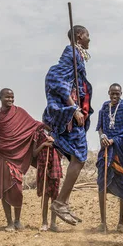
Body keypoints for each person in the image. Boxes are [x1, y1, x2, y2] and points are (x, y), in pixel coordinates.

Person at [43, 25, 93, 226]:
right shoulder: (71, 51)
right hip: (70, 117)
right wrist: (74, 109)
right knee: (80, 156)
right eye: (88, 35)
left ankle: (62, 202)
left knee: (78, 157)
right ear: (80, 36)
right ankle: (61, 202)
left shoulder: (78, 55)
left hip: (73, 115)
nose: (90, 39)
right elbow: (57, 79)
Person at [0, 88, 43, 232]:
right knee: (4, 189)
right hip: (0, 156)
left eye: (12, 97)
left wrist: (48, 129)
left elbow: (34, 125)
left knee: (17, 189)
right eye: (7, 97)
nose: (10, 99)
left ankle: (18, 220)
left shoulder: (19, 112)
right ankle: (9, 222)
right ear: (0, 97)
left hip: (16, 157)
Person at [96, 83, 123, 233]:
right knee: (102, 183)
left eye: (117, 94)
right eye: (112, 93)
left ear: (121, 94)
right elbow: (100, 127)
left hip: (120, 152)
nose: (114, 96)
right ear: (108, 93)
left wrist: (114, 140)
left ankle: (120, 223)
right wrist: (103, 137)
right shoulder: (105, 108)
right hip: (106, 151)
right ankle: (103, 222)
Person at [33, 128, 62, 232]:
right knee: (45, 197)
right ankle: (44, 222)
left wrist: (55, 143)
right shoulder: (38, 134)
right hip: (43, 168)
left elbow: (63, 152)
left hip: (55, 168)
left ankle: (53, 223)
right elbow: (34, 153)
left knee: (55, 197)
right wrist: (44, 144)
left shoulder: (58, 133)